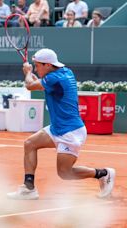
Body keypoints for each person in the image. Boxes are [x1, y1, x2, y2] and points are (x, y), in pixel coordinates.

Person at [7, 48, 116, 200]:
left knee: (65, 173)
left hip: (70, 132)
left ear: (47, 65)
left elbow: (30, 86)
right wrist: (32, 75)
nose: (36, 68)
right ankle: (28, 188)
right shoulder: (66, 72)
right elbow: (37, 82)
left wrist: (27, 72)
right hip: (57, 128)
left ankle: (103, 174)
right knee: (30, 144)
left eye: (37, 65)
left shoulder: (53, 79)